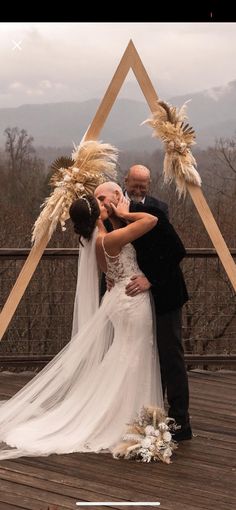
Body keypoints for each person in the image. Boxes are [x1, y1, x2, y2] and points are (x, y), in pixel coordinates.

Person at [0, 193, 164, 460]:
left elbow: (111, 269)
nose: (106, 202)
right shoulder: (110, 238)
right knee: (135, 355)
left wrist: (112, 219)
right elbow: (151, 220)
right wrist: (124, 215)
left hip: (118, 299)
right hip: (132, 302)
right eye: (100, 203)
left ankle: (125, 413)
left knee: (124, 354)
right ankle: (125, 417)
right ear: (95, 214)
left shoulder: (94, 239)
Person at [94, 180, 192, 441]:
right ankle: (152, 413)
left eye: (104, 198)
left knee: (171, 356)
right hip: (140, 301)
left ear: (118, 195)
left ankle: (181, 421)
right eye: (98, 201)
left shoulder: (152, 213)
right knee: (151, 354)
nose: (102, 204)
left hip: (165, 294)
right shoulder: (115, 223)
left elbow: (177, 251)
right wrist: (113, 274)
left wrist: (151, 279)